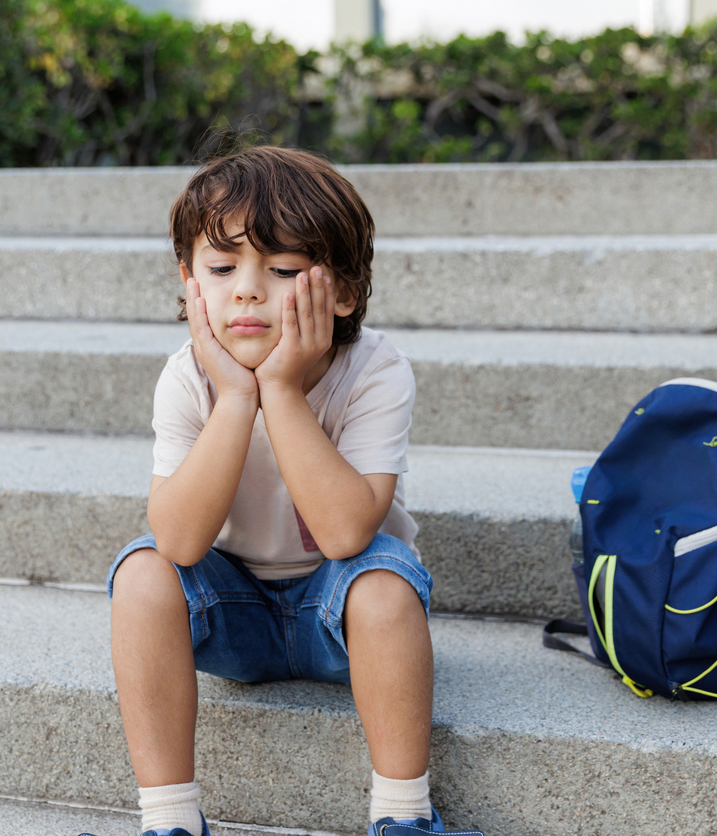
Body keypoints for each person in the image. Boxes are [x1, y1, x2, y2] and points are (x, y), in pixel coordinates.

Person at [101, 146, 480, 836]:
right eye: (221, 269)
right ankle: (170, 821)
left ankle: (403, 816)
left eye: (280, 271)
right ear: (189, 285)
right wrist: (235, 398)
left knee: (386, 581)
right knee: (141, 572)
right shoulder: (187, 378)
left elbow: (345, 534)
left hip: (342, 615)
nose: (246, 290)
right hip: (233, 613)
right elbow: (180, 540)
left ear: (342, 293)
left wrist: (278, 387)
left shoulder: (375, 370)